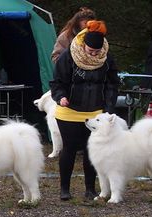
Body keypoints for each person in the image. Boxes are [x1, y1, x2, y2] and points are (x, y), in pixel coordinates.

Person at [49, 20, 119, 201]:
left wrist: (109, 108)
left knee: (91, 150)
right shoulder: (68, 56)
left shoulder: (107, 58)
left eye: (97, 52)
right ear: (83, 44)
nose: (94, 54)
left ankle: (90, 189)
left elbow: (112, 84)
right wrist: (60, 96)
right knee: (69, 148)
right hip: (69, 110)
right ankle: (65, 189)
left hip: (95, 111)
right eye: (91, 51)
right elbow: (57, 82)